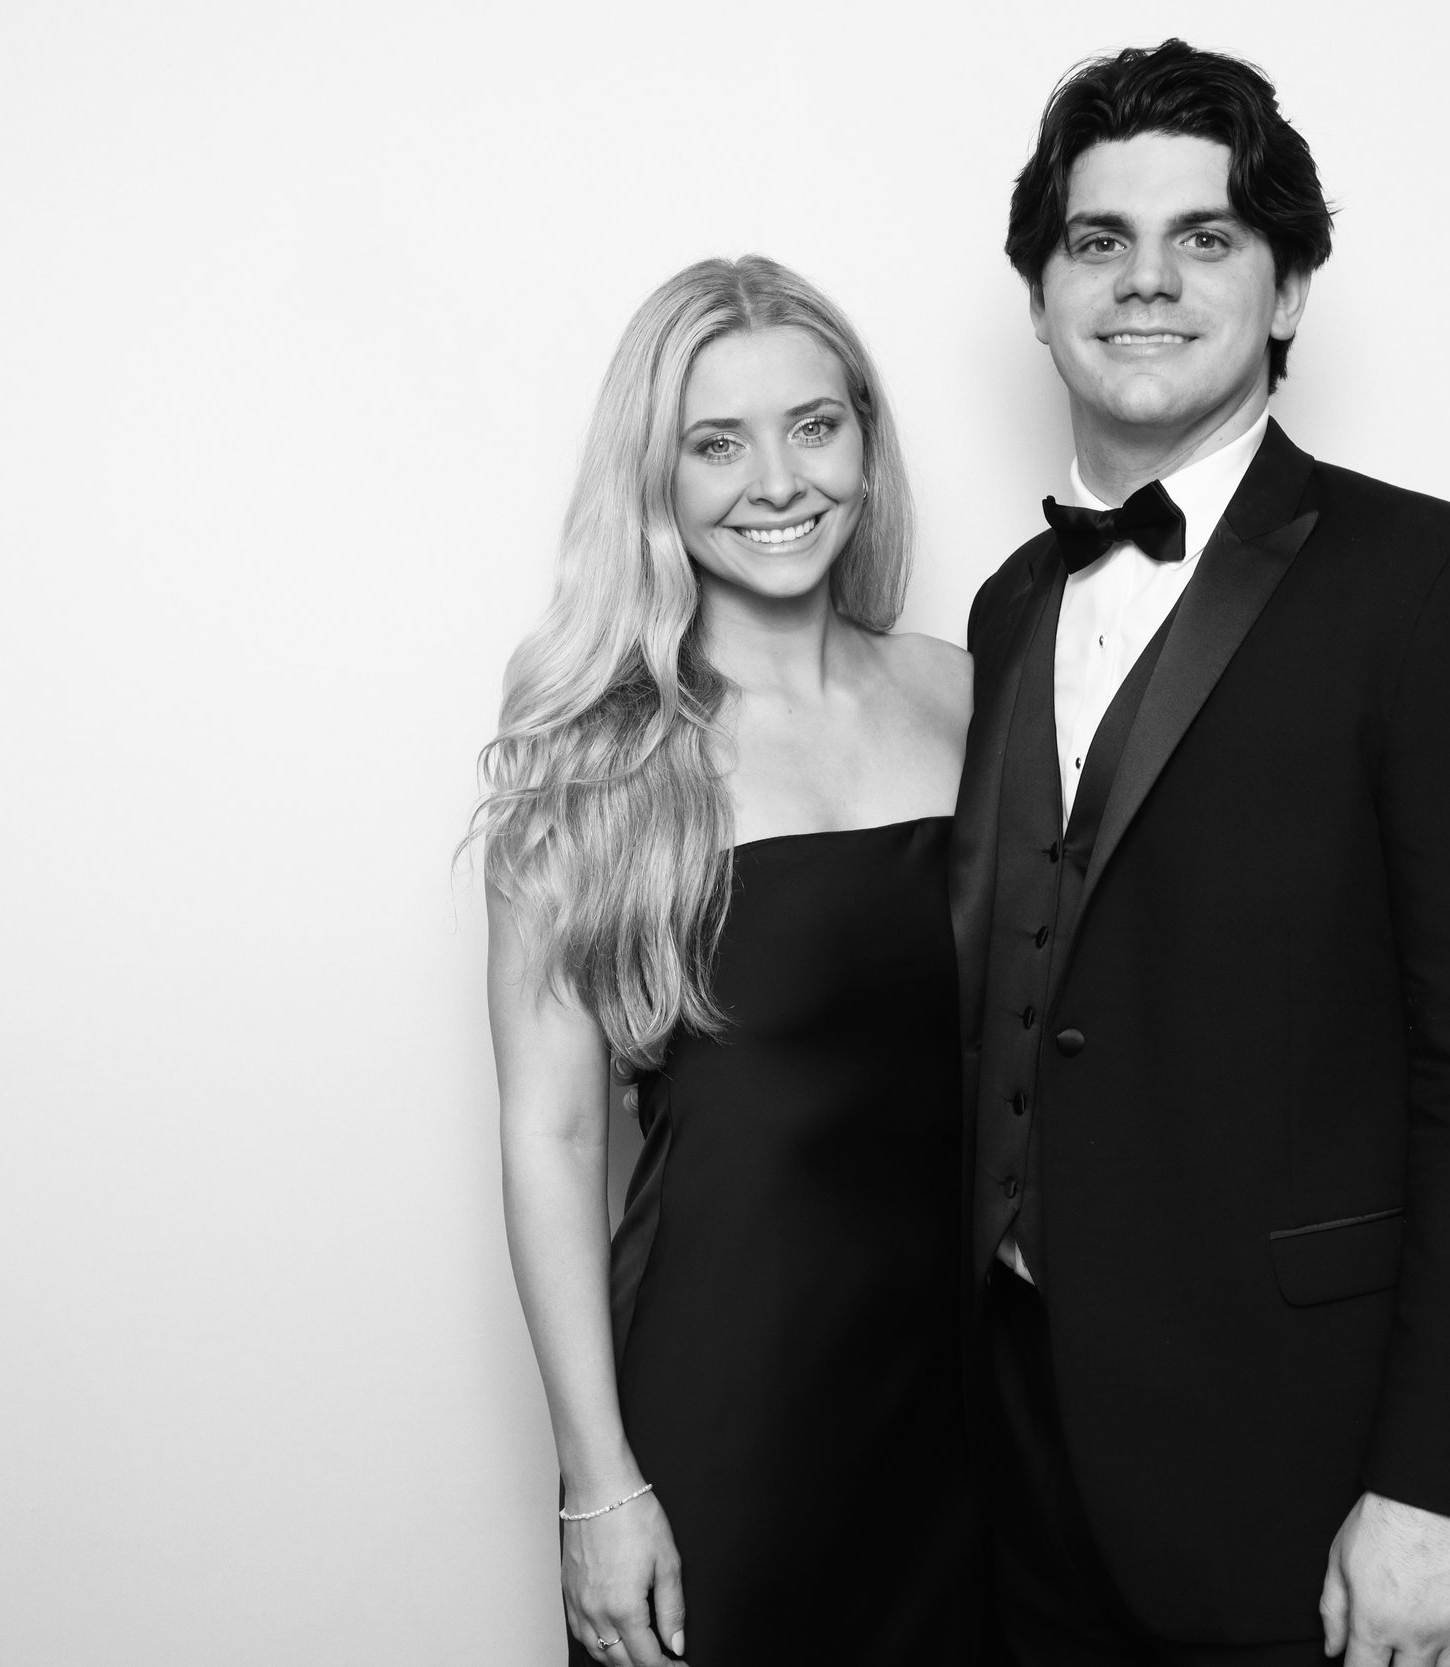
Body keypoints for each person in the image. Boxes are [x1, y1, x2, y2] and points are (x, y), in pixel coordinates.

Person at [955, 42, 1450, 1667]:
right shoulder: (1011, 610)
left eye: (1210, 237)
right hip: (1019, 1458)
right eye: (1098, 241)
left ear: (1291, 287)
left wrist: (1445, 1487)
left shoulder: (1439, 587)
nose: (1147, 281)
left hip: (1320, 1473)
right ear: (1040, 296)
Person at [476, 256, 979, 1666]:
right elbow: (552, 1130)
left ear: (867, 444)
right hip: (735, 1399)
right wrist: (598, 1483)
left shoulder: (976, 690)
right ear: (657, 476)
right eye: (718, 442)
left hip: (980, 1406)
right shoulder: (596, 757)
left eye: (814, 426)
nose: (777, 480)